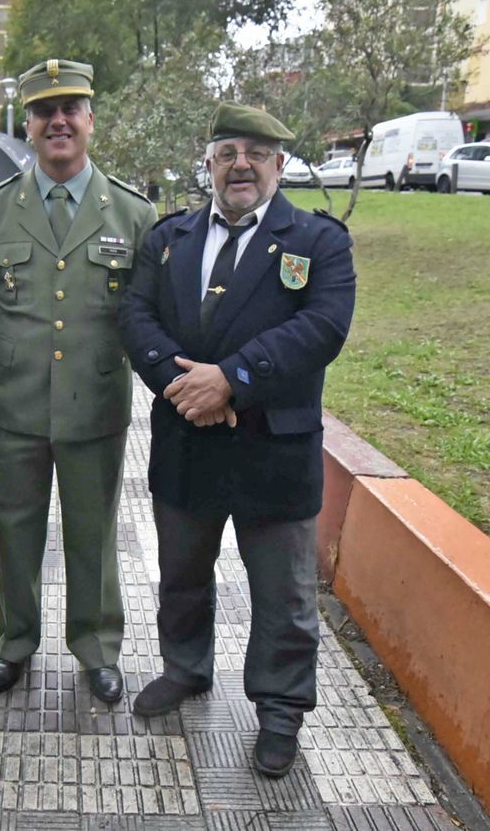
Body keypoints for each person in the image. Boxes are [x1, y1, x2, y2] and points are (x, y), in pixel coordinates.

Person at [118, 103, 356, 778]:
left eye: (256, 153)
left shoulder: (318, 242)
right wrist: (179, 384)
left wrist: (232, 380)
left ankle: (280, 709)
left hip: (273, 448)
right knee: (182, 576)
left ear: (280, 165)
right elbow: (135, 314)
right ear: (210, 165)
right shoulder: (169, 239)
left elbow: (324, 327)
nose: (240, 165)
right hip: (187, 439)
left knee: (284, 594)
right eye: (227, 153)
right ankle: (186, 669)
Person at [0, 59, 157, 704]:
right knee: (14, 526)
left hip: (95, 400)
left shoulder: (133, 213)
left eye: (71, 108)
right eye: (45, 111)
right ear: (28, 125)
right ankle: (13, 643)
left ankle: (97, 648)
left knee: (93, 530)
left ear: (90, 120)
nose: (58, 121)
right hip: (15, 401)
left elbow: (142, 307)